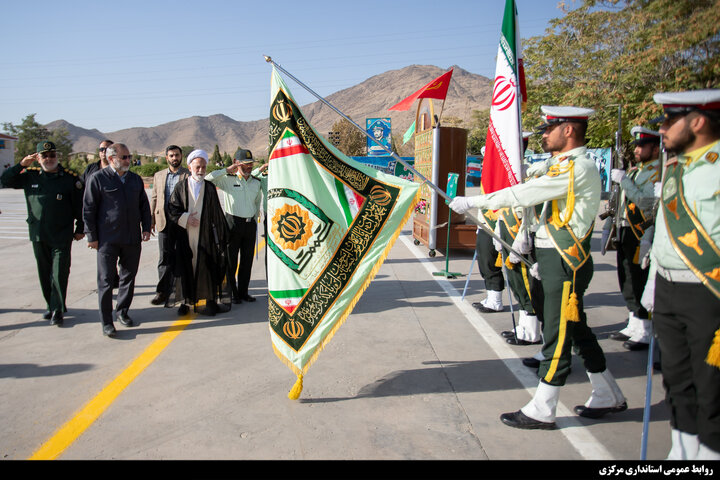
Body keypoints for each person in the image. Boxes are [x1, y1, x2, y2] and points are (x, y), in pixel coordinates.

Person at [450, 106, 627, 429]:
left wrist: (475, 201)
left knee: (557, 334)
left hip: (565, 259)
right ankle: (607, 392)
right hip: (552, 256)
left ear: (569, 131)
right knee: (576, 330)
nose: (544, 134)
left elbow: (527, 193)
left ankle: (543, 408)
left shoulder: (577, 167)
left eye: (550, 128)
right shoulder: (559, 165)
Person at [641, 90, 720, 460]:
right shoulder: (676, 167)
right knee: (676, 381)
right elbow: (665, 234)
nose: (663, 129)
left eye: (670, 121)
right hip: (670, 289)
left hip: (709, 292)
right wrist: (654, 281)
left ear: (698, 122)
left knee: (712, 387)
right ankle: (683, 453)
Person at [0, 141, 84, 325]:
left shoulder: (70, 179)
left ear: (57, 157)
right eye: (44, 156)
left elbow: (79, 207)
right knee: (44, 272)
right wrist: (21, 165)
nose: (49, 159)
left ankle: (57, 310)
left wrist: (80, 228)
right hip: (38, 234)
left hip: (61, 235)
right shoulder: (29, 177)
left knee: (60, 272)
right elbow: (4, 180)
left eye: (52, 155)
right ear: (37, 158)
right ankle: (51, 304)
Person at [83, 143, 152, 338]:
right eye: (124, 157)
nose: (128, 160)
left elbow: (144, 206)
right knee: (105, 281)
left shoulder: (135, 180)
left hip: (131, 238)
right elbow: (88, 209)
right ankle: (107, 322)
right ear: (112, 159)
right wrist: (92, 236)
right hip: (107, 240)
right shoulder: (98, 179)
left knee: (128, 277)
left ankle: (122, 312)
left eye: (129, 157)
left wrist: (146, 228)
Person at [604, 126, 661, 351]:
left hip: (642, 231)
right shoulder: (638, 170)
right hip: (626, 229)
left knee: (639, 279)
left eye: (642, 146)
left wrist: (625, 181)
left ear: (655, 149)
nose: (636, 149)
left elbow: (645, 203)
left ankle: (645, 329)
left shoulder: (656, 173)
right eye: (636, 145)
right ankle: (634, 322)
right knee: (626, 277)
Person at [168, 149, 231, 316]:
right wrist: (186, 218)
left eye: (203, 167)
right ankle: (185, 301)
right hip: (186, 235)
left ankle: (209, 300)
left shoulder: (209, 187)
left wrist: (222, 235)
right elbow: (172, 208)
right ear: (190, 167)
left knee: (206, 267)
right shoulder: (181, 186)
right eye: (197, 167)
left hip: (205, 236)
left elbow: (217, 212)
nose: (201, 170)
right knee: (186, 267)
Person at [206, 148, 262, 304]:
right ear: (236, 164)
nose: (249, 166)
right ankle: (232, 293)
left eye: (251, 164)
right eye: (246, 164)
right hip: (232, 224)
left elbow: (257, 201)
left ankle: (243, 292)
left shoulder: (255, 182)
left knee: (247, 261)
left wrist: (256, 216)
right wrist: (226, 170)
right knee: (231, 261)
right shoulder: (228, 179)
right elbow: (207, 180)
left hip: (249, 224)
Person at [149, 145, 189, 306]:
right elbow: (154, 197)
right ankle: (162, 292)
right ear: (167, 157)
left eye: (177, 155)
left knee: (181, 257)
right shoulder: (158, 175)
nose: (174, 158)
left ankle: (181, 293)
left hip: (181, 223)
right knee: (164, 258)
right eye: (171, 155)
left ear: (181, 156)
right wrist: (151, 219)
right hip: (163, 222)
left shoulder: (188, 174)